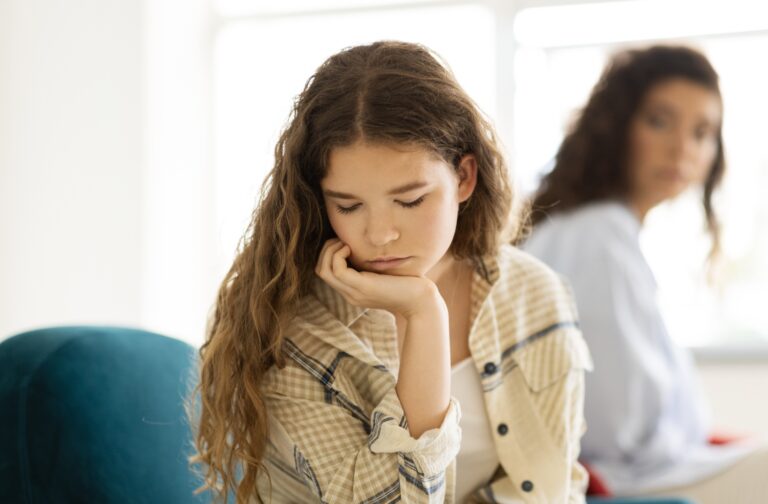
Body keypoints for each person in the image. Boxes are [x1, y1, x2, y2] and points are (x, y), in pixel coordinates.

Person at [190, 41, 592, 503]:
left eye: (410, 200)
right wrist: (423, 315)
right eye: (349, 205)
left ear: (464, 177)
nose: (379, 234)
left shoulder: (533, 292)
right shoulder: (290, 329)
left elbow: (553, 484)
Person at [523, 45, 767, 503]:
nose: (683, 148)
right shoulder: (599, 240)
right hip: (626, 481)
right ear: (616, 127)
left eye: (702, 132)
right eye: (660, 121)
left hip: (646, 469)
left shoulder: (593, 230)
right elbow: (615, 427)